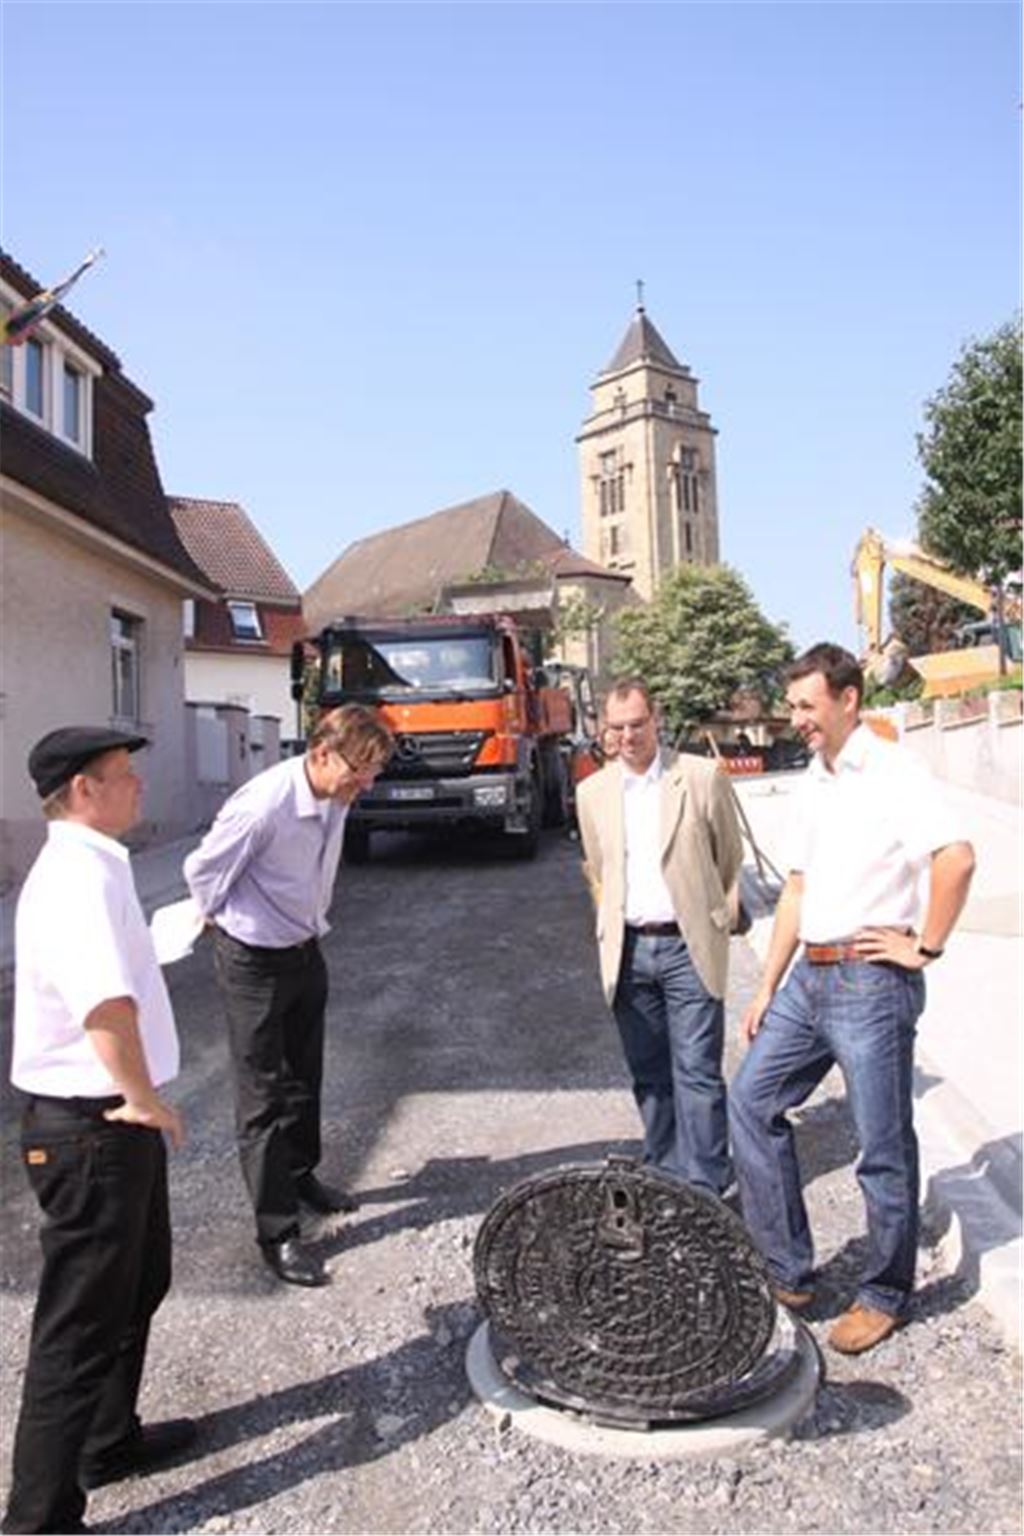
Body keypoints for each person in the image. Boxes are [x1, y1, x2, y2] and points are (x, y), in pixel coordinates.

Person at [729, 643, 976, 1354]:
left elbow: (955, 858)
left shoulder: (894, 771)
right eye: (793, 706)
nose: (795, 718)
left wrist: (924, 946)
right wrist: (769, 985)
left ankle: (885, 1291)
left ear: (848, 700)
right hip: (810, 975)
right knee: (751, 1100)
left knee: (880, 1143)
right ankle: (788, 1270)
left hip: (873, 982)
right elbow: (798, 887)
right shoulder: (812, 779)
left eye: (807, 705)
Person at [4, 727, 194, 1536]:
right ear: (84, 789)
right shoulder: (74, 879)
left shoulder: (95, 867)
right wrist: (144, 1098)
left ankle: (107, 1443)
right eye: (123, 776)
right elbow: (102, 1007)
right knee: (78, 1327)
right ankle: (37, 1520)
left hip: (106, 1124)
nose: (137, 787)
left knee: (138, 1283)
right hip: (93, 1126)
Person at [184, 705, 393, 1288]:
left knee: (305, 1077)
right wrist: (225, 921)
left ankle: (301, 1179)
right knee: (263, 1097)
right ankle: (276, 1233)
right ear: (323, 753)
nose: (367, 784)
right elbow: (203, 872)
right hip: (253, 961)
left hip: (304, 950)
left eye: (375, 771)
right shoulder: (264, 805)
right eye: (361, 769)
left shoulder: (334, 796)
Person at [576, 679, 744, 1194]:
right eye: (618, 727)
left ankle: (708, 1188)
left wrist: (716, 915)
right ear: (607, 729)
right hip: (628, 951)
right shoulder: (592, 792)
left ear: (657, 721)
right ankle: (667, 1178)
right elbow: (600, 870)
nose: (628, 736)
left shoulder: (698, 778)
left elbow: (728, 860)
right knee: (649, 1073)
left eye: (637, 724)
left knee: (696, 1072)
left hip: (686, 945)